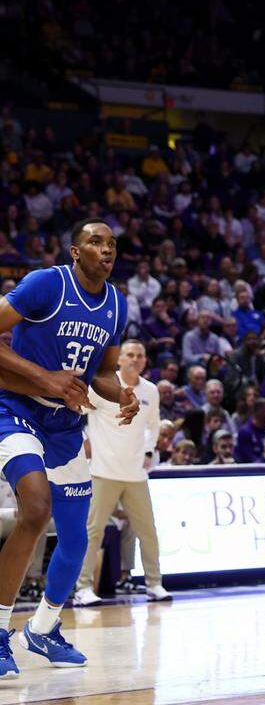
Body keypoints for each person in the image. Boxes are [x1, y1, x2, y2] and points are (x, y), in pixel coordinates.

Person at [0, 219, 140, 676]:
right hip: (16, 407)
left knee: (77, 536)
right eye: (95, 242)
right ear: (75, 252)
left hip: (64, 425)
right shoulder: (47, 284)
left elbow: (100, 372)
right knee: (36, 510)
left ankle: (41, 630)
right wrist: (48, 380)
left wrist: (122, 392)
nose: (106, 249)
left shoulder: (116, 304)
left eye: (112, 244)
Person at [73, 338, 170, 606]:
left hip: (136, 474)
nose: (135, 359)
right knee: (93, 531)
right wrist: (84, 439)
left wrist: (149, 451)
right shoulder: (102, 384)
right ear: (118, 359)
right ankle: (82, 588)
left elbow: (153, 425)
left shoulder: (150, 391)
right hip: (102, 471)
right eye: (129, 354)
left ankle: (154, 584)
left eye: (140, 355)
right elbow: (79, 410)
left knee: (147, 531)